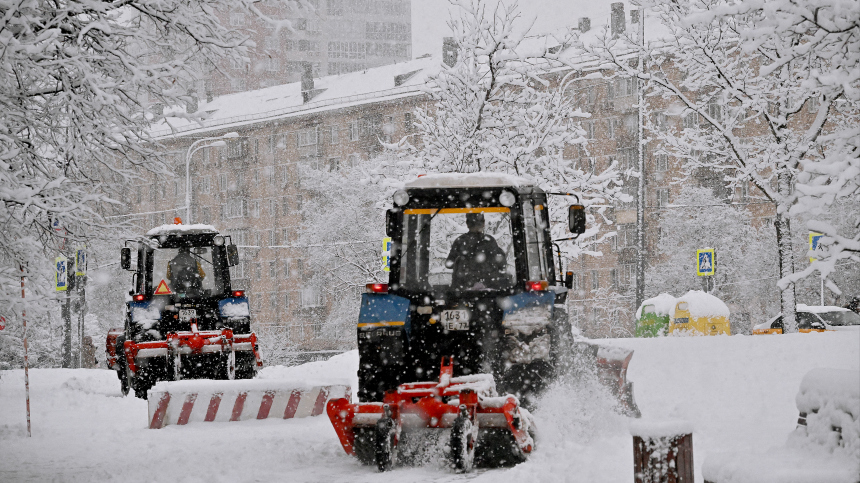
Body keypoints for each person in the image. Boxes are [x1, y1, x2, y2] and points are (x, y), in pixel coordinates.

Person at [445, 213, 507, 290]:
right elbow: (502, 264)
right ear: (483, 224)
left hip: (463, 291)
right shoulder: (490, 241)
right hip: (490, 290)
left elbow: (449, 264)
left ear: (467, 224)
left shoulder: (460, 241)